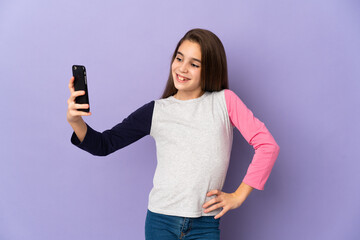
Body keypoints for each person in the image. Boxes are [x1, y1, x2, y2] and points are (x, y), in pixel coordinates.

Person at [67, 28, 280, 240]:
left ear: (210, 70)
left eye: (194, 64)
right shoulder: (156, 111)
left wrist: (238, 195)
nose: (182, 68)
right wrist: (76, 121)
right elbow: (104, 144)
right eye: (179, 58)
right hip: (160, 222)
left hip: (205, 224)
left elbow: (267, 146)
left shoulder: (225, 102)